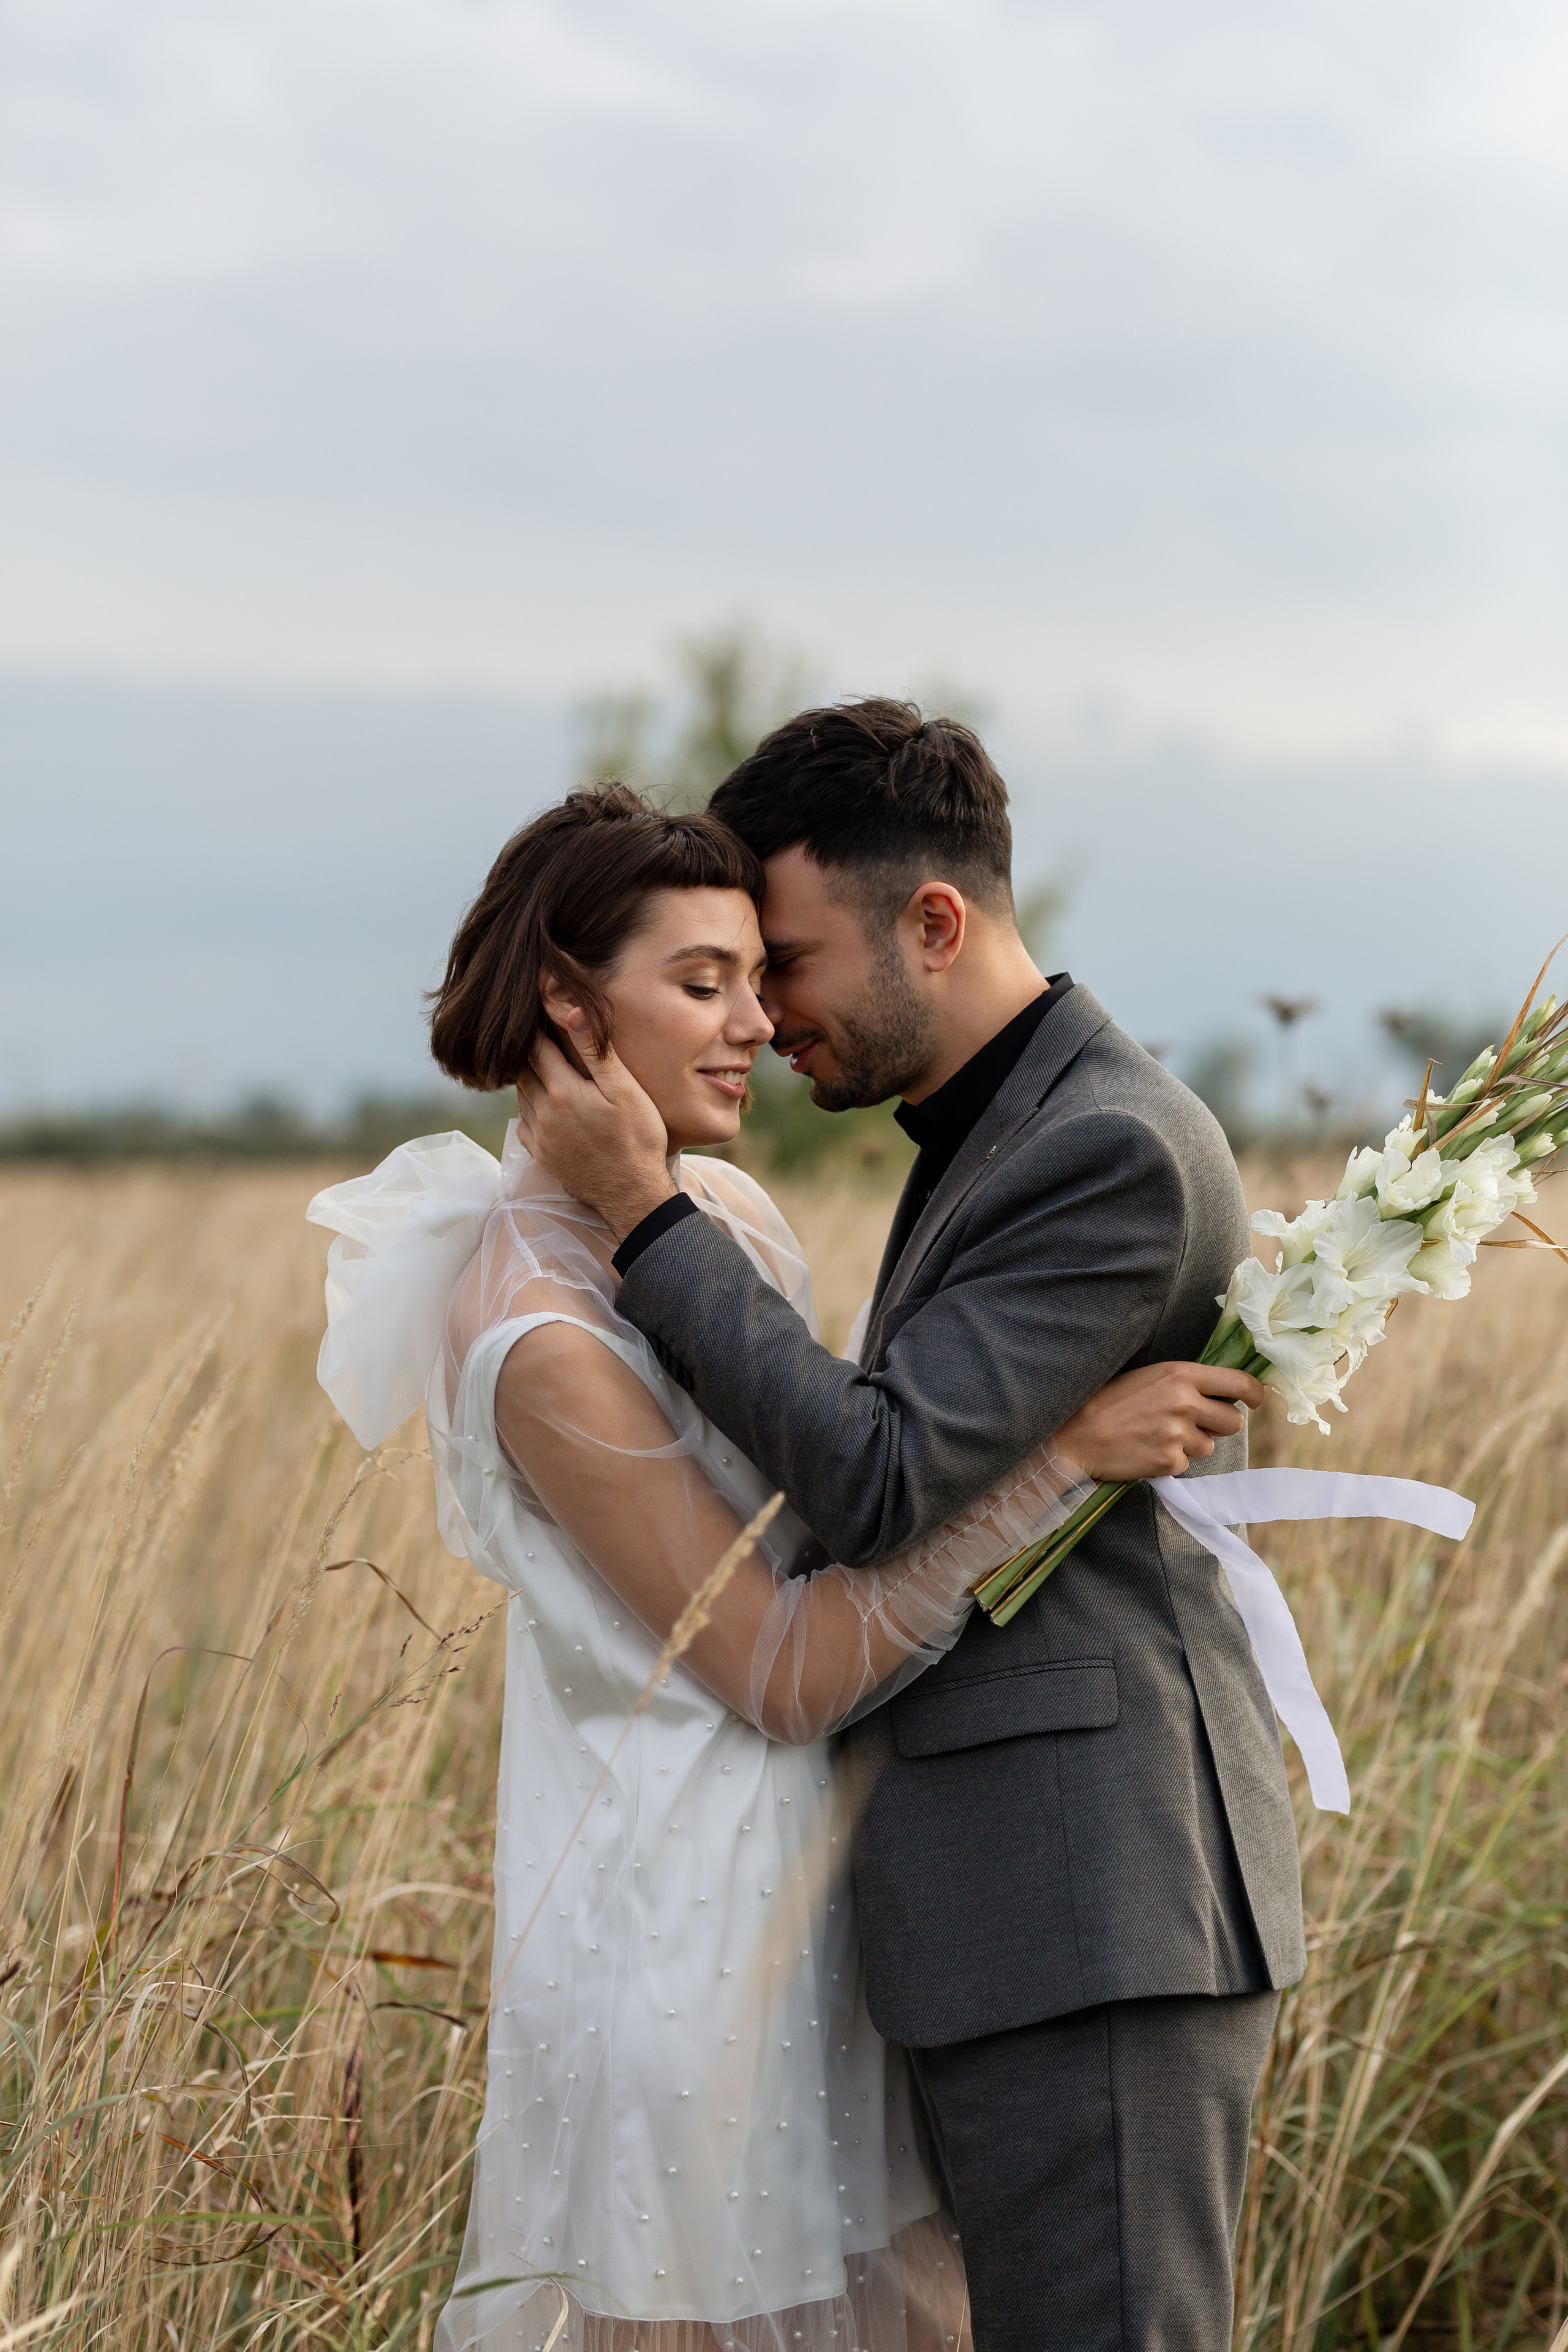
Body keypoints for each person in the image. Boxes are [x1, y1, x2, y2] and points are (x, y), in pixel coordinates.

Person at [306, 782, 1263, 2352]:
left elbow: (854, 1470)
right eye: (703, 984)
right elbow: (772, 1661)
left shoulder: (721, 1218)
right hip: (692, 1943)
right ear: (566, 1013)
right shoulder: (536, 1335)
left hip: (826, 1917)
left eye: (763, 973)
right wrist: (1061, 1465)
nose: (756, 1021)